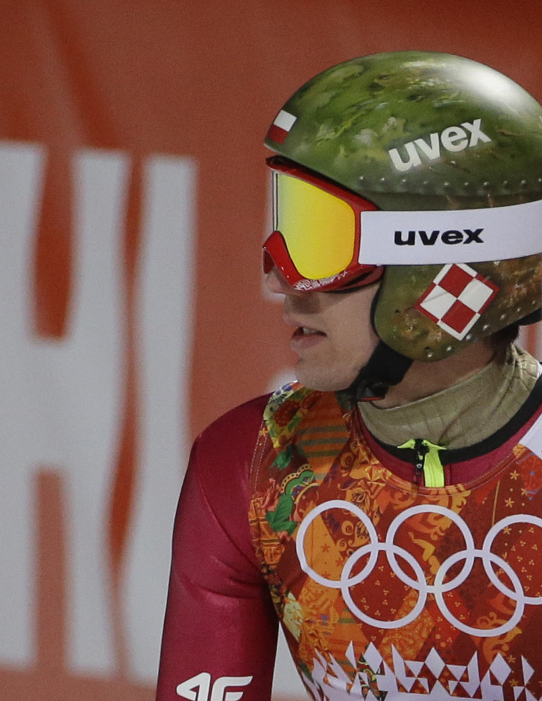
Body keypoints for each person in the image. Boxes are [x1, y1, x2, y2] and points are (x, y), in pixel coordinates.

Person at [156, 51, 542, 701]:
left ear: (444, 266)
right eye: (284, 222)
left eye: (320, 236)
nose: (278, 278)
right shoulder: (252, 463)